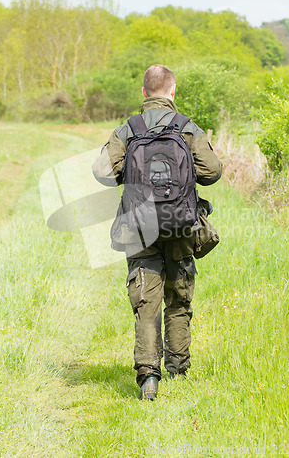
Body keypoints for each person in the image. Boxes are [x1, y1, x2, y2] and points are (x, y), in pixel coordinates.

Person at [92, 64, 222, 400]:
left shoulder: (128, 130)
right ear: (173, 91)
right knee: (178, 297)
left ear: (144, 92)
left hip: (138, 227)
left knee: (146, 300)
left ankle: (148, 377)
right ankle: (179, 369)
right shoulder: (187, 128)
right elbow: (212, 173)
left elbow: (102, 172)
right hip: (180, 226)